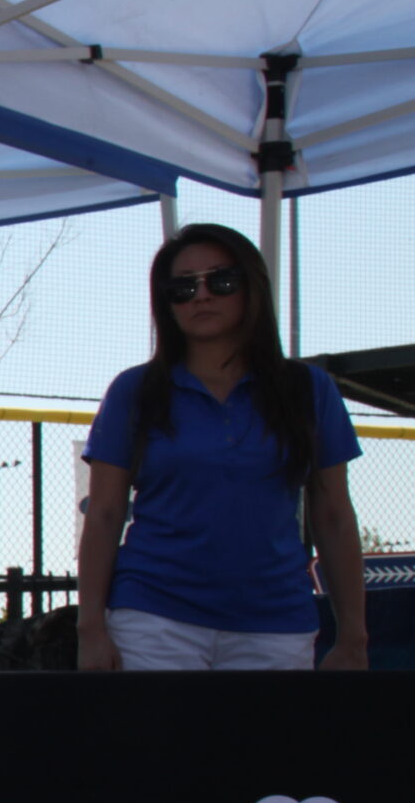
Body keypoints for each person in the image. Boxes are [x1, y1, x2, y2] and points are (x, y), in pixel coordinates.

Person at [78, 223, 366, 672]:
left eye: (221, 281)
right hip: (153, 618)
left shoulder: (309, 389)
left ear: (252, 287)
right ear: (166, 302)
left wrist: (353, 637)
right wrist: (91, 628)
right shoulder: (134, 390)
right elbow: (104, 514)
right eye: (182, 287)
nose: (201, 296)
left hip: (277, 622)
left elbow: (333, 515)